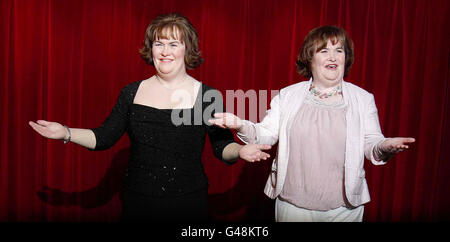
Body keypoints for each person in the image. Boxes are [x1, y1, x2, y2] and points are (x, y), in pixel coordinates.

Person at [29, 12, 271, 222]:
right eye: (159, 44)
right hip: (138, 202)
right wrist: (66, 133)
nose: (165, 52)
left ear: (187, 49)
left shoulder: (206, 95)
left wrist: (239, 151)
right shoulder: (131, 92)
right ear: (151, 48)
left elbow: (221, 147)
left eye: (174, 44)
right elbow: (103, 137)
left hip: (187, 204)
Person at [209, 26, 415, 222]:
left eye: (339, 50)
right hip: (294, 205)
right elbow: (266, 134)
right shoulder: (288, 95)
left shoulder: (363, 99)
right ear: (310, 58)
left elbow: (371, 142)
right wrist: (241, 125)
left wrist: (384, 145)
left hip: (345, 209)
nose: (333, 56)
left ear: (346, 57)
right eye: (324, 50)